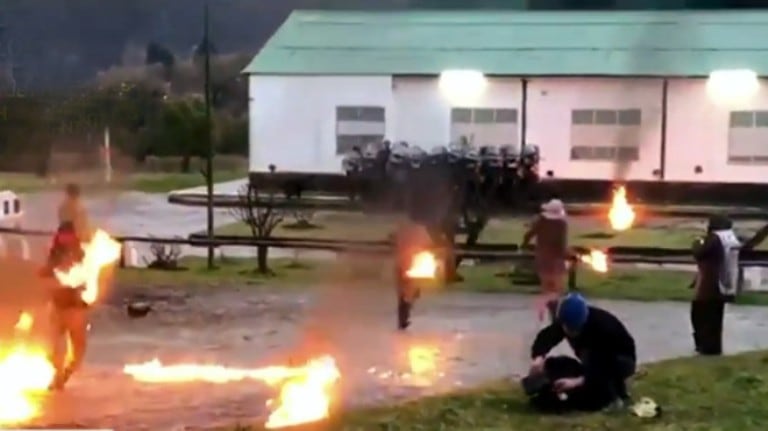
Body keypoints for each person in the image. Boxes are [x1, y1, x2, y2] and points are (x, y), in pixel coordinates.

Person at [525, 293, 637, 412]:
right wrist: (538, 358)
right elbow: (547, 337)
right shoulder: (565, 321)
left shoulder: (602, 328)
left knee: (593, 386)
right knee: (555, 364)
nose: (571, 333)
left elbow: (604, 364)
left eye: (575, 330)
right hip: (593, 363)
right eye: (567, 328)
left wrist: (577, 381)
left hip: (618, 361)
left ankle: (614, 395)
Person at [690, 215, 768, 355]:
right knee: (714, 322)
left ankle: (705, 350)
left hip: (707, 288)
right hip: (723, 287)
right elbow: (750, 243)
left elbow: (698, 252)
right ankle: (713, 350)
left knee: (700, 318)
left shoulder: (714, 238)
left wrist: (697, 241)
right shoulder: (730, 238)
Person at [40, 221, 90, 391]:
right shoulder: (54, 253)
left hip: (76, 308)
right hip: (58, 306)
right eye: (62, 234)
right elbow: (47, 274)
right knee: (55, 344)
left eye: (68, 235)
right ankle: (58, 374)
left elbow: (87, 277)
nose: (65, 238)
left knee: (78, 348)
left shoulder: (82, 254)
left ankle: (65, 374)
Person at [522, 198, 568, 321]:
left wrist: (524, 245)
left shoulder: (541, 221)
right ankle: (555, 315)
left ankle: (546, 313)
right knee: (557, 290)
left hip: (542, 258)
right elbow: (562, 244)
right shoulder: (562, 224)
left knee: (546, 289)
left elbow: (528, 235)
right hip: (556, 259)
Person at [393, 219, 434, 331]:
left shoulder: (403, 230)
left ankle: (403, 318)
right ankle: (403, 318)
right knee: (408, 293)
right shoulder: (419, 229)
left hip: (404, 266)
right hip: (409, 266)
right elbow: (428, 244)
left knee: (404, 293)